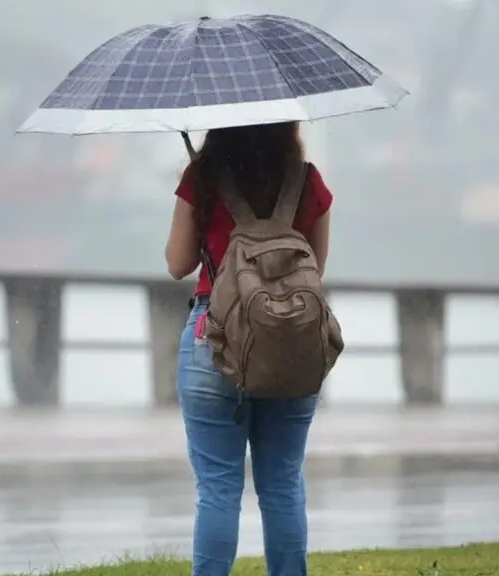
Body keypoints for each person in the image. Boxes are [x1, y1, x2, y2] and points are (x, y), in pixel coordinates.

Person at [164, 122, 333, 576]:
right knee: (281, 486)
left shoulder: (202, 177)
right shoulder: (307, 182)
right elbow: (315, 269)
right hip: (290, 344)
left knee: (218, 488)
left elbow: (178, 264)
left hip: (213, 341)